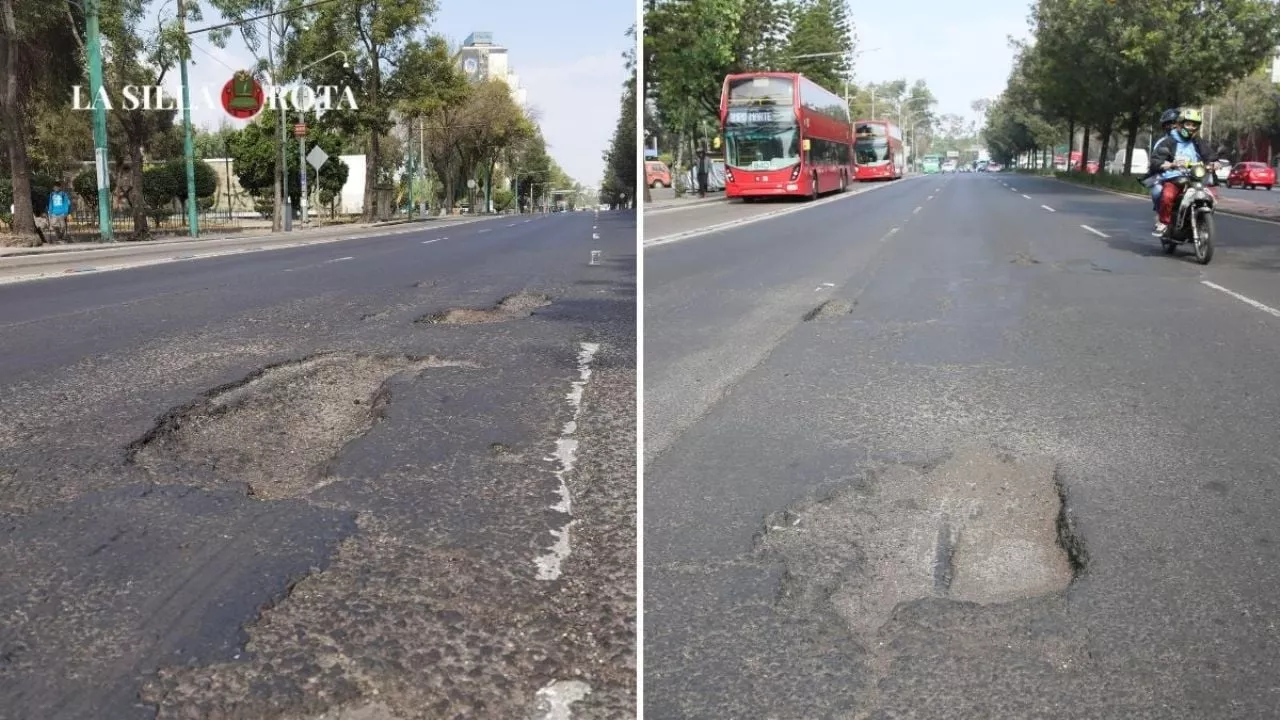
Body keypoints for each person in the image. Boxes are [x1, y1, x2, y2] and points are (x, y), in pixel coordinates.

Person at [1149, 108, 1217, 236]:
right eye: (1188, 124)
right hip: (1174, 178)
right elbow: (1156, 160)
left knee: (1211, 197)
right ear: (1180, 125)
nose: (1191, 128)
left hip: (1194, 177)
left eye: (1194, 125)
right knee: (1167, 195)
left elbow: (1208, 154)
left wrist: (1214, 163)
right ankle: (1164, 222)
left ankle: (1201, 221)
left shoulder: (1197, 141)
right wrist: (1169, 164)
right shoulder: (1168, 141)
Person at [1141, 108, 1181, 215]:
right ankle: (1162, 216)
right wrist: (1163, 165)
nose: (1172, 126)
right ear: (1164, 126)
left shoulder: (1191, 141)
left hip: (1187, 174)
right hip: (1166, 175)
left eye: (1175, 123)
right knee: (1157, 192)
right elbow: (1155, 161)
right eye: (1169, 124)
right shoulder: (1161, 142)